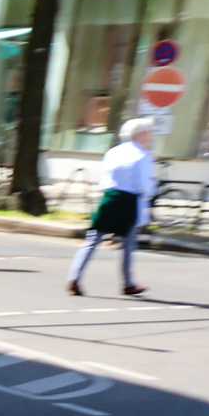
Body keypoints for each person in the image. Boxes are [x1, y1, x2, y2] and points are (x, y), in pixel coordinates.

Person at [69, 116, 157, 297]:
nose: (149, 136)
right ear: (140, 135)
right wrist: (151, 191)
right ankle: (127, 282)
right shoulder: (142, 155)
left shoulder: (113, 152)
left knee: (92, 240)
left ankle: (74, 277)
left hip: (109, 198)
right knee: (127, 244)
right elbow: (143, 184)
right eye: (147, 132)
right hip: (129, 202)